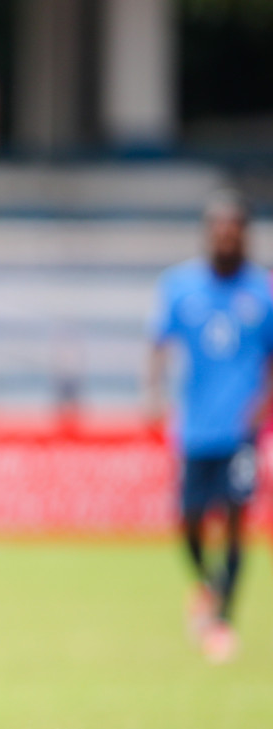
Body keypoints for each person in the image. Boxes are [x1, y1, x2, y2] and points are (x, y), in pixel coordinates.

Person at [146, 191, 273, 664]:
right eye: (219, 230)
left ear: (245, 235)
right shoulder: (180, 287)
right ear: (208, 234)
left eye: (234, 231)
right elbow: (159, 344)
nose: (226, 238)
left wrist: (264, 402)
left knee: (238, 519)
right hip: (196, 428)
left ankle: (222, 621)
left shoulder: (263, 291)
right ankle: (206, 587)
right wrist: (154, 393)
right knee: (191, 522)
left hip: (241, 429)